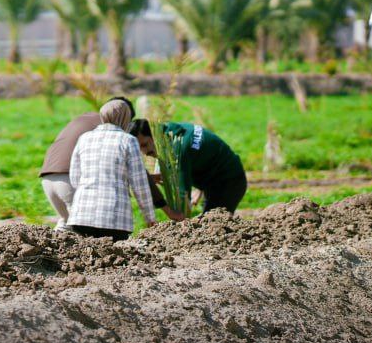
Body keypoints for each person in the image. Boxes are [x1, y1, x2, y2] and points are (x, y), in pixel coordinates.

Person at [38, 96, 163, 228]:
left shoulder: (86, 119)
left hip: (47, 178)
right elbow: (137, 175)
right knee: (85, 233)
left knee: (66, 224)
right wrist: (162, 206)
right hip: (68, 181)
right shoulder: (113, 131)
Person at [66, 99, 158, 241]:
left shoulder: (84, 138)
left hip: (81, 217)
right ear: (126, 118)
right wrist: (150, 217)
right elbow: (140, 185)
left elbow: (74, 178)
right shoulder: (128, 140)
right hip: (114, 219)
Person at [130, 118, 248, 214]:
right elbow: (200, 155)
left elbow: (183, 197)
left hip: (229, 182)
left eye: (145, 145)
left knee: (213, 226)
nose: (144, 152)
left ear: (154, 135)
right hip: (216, 180)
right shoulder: (171, 131)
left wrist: (180, 222)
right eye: (139, 148)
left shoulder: (179, 148)